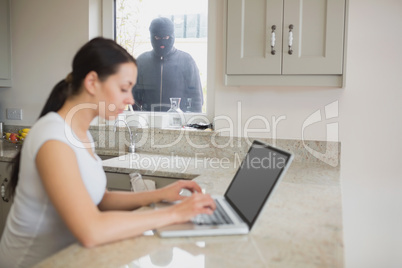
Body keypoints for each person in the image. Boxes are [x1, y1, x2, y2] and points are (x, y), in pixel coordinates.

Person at [0, 37, 215, 268]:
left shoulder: (81, 133)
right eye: (124, 88)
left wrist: (162, 194)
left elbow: (101, 200)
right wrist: (175, 214)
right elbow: (91, 231)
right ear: (92, 82)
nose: (131, 99)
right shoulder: (53, 139)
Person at [132, 17, 203, 112]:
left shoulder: (186, 61)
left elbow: (196, 98)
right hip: (149, 121)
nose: (162, 42)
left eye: (166, 37)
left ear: (172, 36)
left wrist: (194, 122)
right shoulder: (141, 61)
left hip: (178, 122)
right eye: (157, 37)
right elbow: (133, 97)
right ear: (152, 37)